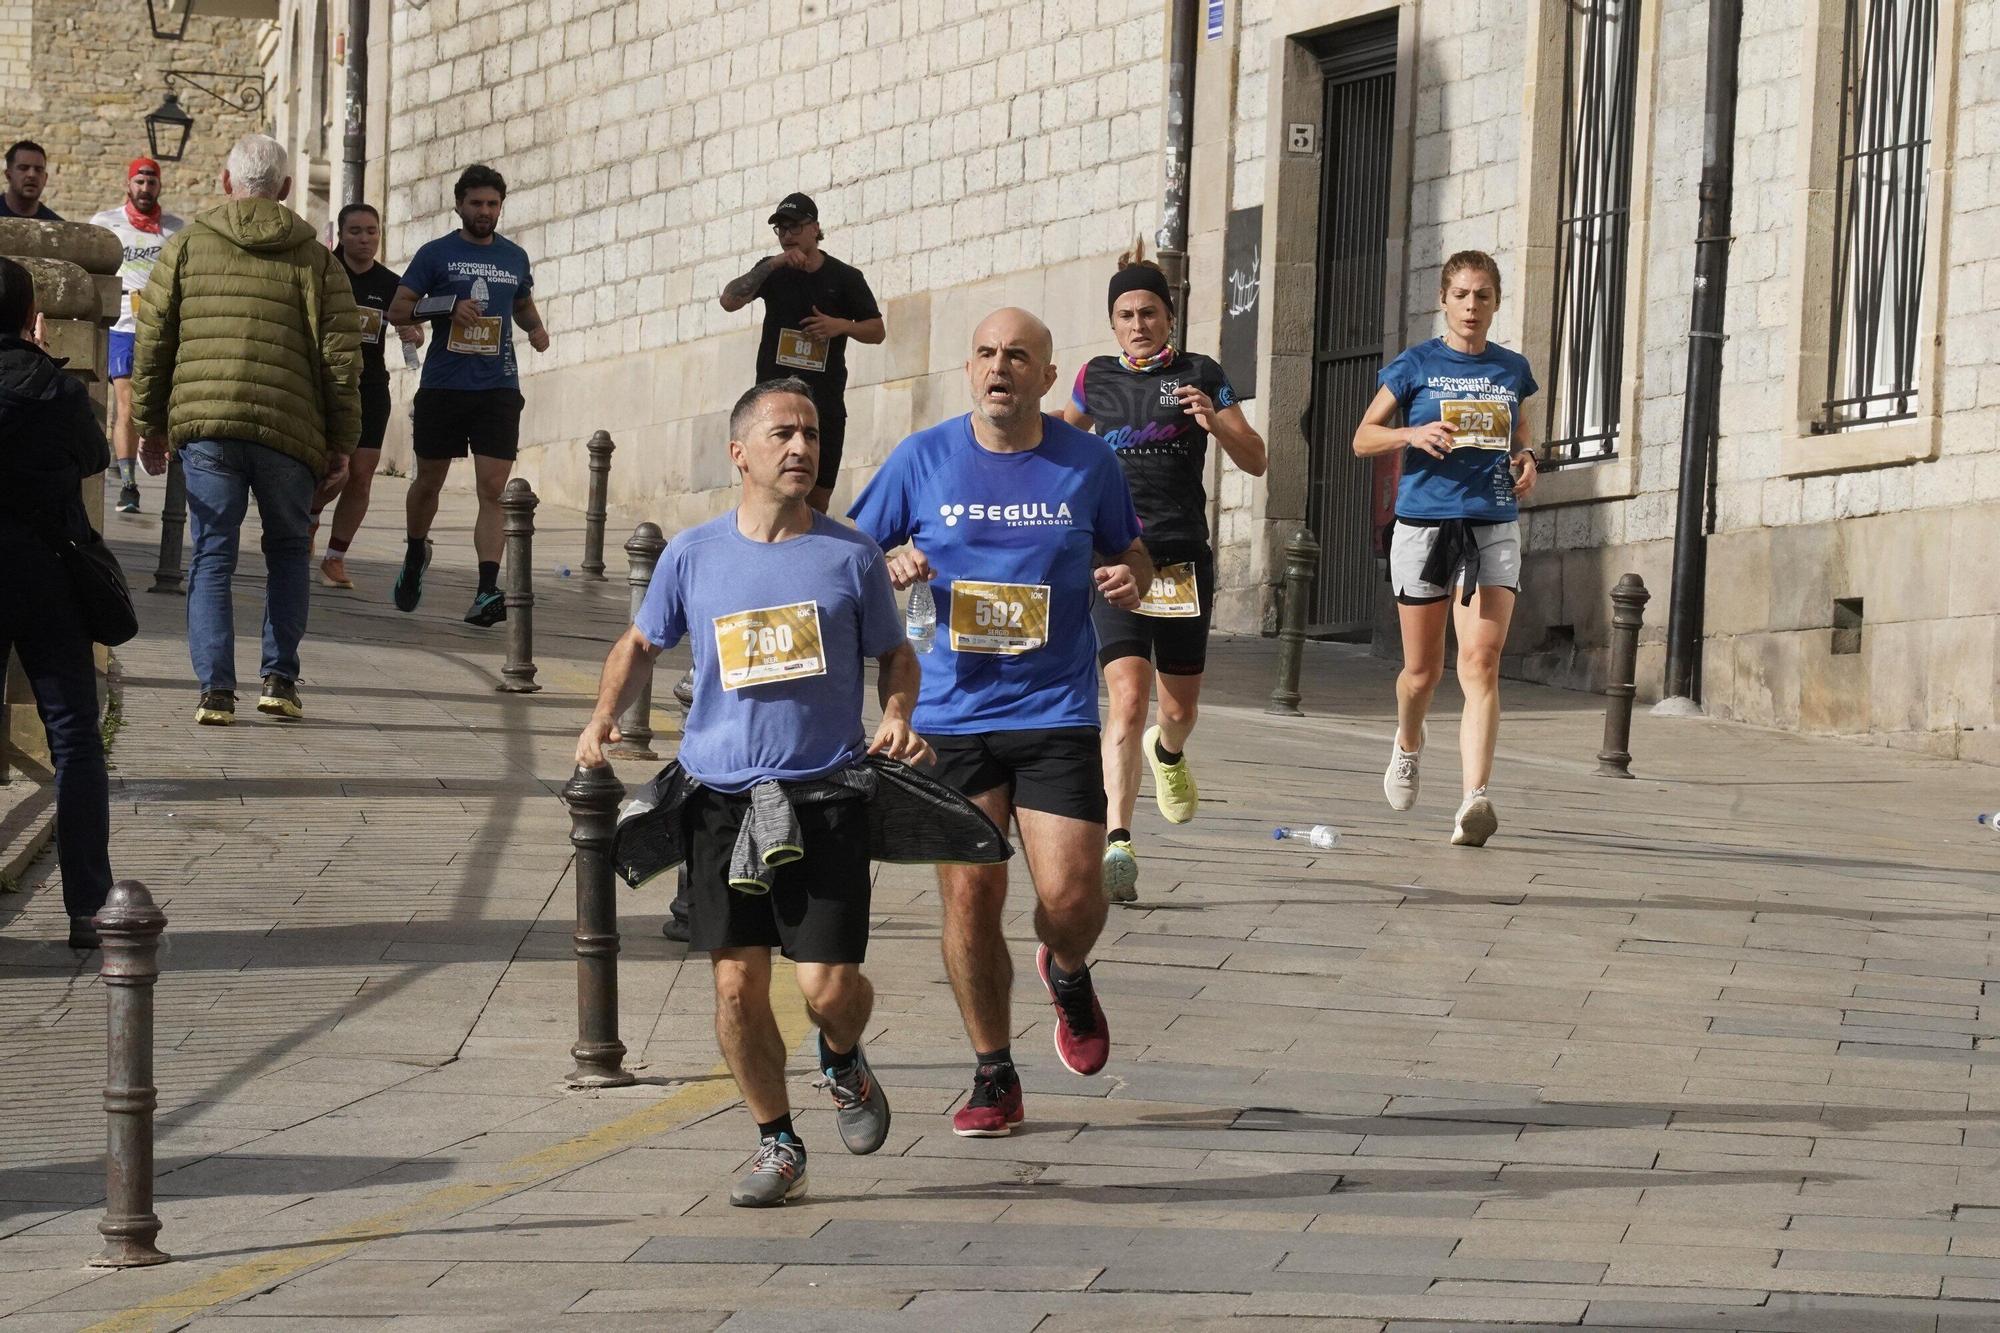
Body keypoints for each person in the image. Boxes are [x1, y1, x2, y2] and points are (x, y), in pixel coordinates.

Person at [574, 379, 933, 1207]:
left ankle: (842, 1057)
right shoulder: (694, 555)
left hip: (824, 796)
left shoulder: (849, 556)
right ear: (741, 453)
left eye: (810, 433)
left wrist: (900, 711)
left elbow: (896, 653)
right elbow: (640, 641)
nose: (802, 446)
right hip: (720, 801)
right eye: (783, 434)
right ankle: (777, 1140)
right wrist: (599, 722)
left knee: (827, 989)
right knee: (736, 986)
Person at [851, 307, 1151, 1138]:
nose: (999, 368)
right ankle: (993, 1070)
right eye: (986, 353)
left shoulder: (1087, 463)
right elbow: (845, 555)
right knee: (972, 899)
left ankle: (1066, 963)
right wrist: (890, 562)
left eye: (1018, 356)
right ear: (969, 368)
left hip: (1053, 708)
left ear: (1047, 376)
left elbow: (1135, 555)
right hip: (951, 716)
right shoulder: (923, 457)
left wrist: (1130, 581)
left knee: (1071, 896)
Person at [132, 134, 360, 726]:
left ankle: (216, 691)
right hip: (291, 426)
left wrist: (150, 426)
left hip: (207, 423)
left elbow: (154, 341)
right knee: (287, 551)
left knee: (212, 555)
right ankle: (280, 679)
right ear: (284, 190)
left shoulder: (185, 247)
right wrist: (342, 442)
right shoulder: (317, 259)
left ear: (226, 182)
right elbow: (341, 358)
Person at [1062, 253, 1266, 903]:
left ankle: (1169, 753)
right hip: (1116, 559)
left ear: (1169, 315)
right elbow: (1055, 449)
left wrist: (1215, 420)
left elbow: (1256, 458)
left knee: (1177, 708)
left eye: (1149, 311)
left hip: (1180, 561)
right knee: (1125, 696)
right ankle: (1117, 841)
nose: (1138, 323)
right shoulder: (1094, 379)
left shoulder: (1200, 373)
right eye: (1125, 315)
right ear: (1113, 325)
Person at [1351, 250, 1539, 847]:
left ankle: (1474, 799)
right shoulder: (1416, 364)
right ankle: (1408, 741)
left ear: (1496, 303)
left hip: (1491, 524)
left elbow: (1521, 432)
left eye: (1483, 295)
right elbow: (1362, 438)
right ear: (1443, 300)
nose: (1472, 306)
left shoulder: (1512, 369)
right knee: (1421, 672)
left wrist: (1527, 461)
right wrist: (1412, 431)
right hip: (1426, 524)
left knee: (1481, 661)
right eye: (1461, 294)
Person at [0, 258, 114, 949]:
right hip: (46, 574)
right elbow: (96, 456)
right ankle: (88, 905)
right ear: (28, 314)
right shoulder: (51, 386)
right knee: (73, 735)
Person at [386, 164, 550, 626]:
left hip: (498, 385)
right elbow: (400, 308)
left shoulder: (515, 257)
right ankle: (416, 550)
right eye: (476, 203)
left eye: (492, 204)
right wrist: (447, 307)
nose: (484, 211)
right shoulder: (436, 254)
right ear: (459, 205)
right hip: (443, 384)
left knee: (493, 490)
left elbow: (520, 302)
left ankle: (485, 591)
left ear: (501, 207)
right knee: (428, 483)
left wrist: (535, 328)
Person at [717, 193, 883, 513]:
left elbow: (877, 330)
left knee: (816, 499)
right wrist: (774, 263)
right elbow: (729, 301)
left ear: (815, 228)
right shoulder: (772, 271)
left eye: (794, 228)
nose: (787, 236)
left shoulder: (845, 278)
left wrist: (839, 326)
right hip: (772, 403)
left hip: (823, 404)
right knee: (767, 491)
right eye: (781, 230)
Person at [313, 202, 422, 589]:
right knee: (331, 470)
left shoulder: (391, 284)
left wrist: (412, 334)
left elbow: (411, 328)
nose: (364, 239)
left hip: (371, 386)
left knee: (361, 475)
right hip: (326, 384)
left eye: (371, 231)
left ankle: (335, 558)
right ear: (340, 235)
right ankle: (307, 520)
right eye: (355, 231)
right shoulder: (324, 272)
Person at [90, 158, 185, 515]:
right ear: (128, 184)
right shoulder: (105, 223)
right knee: (125, 404)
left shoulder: (175, 229)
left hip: (161, 326)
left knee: (166, 400)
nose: (145, 189)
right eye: (139, 182)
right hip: (123, 325)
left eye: (152, 182)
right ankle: (129, 486)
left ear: (160, 186)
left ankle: (159, 449)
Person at [0, 141, 60, 219]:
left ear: (45, 178)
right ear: (8, 175)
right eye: (23, 168)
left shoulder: (56, 226)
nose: (32, 175)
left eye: (38, 169)